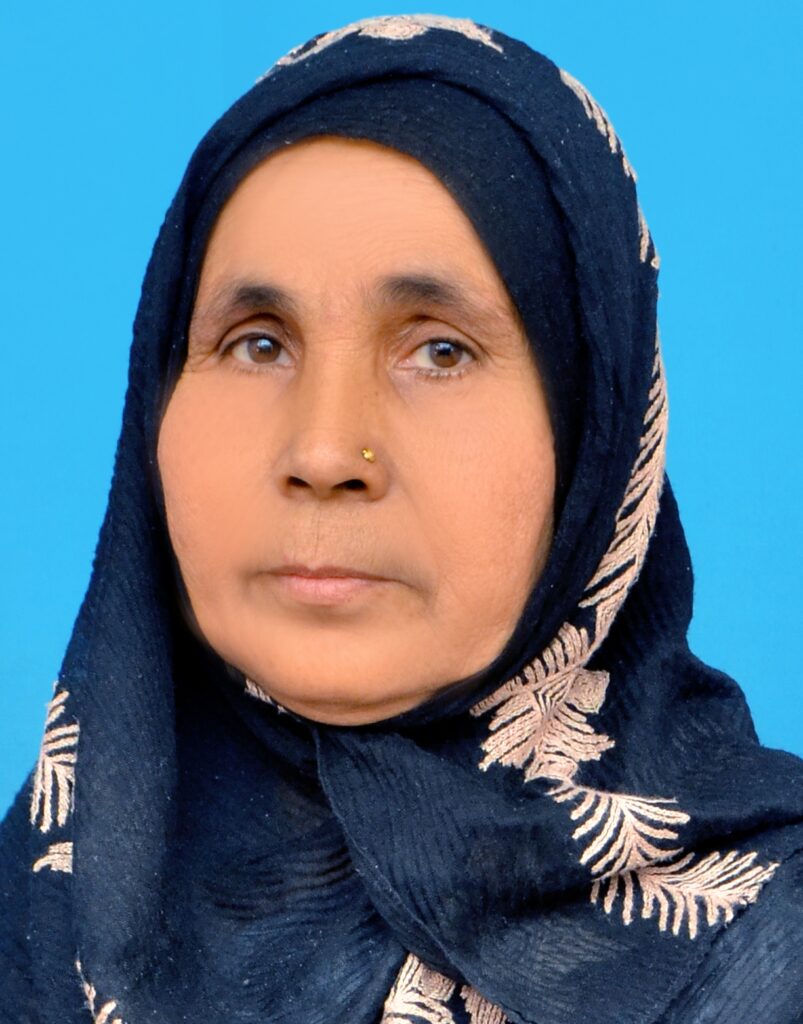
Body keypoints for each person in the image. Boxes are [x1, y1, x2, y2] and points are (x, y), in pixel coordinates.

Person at [2, 13, 802, 1023]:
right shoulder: (35, 918)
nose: (326, 452)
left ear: (593, 431)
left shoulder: (770, 955)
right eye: (257, 343)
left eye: (440, 350)